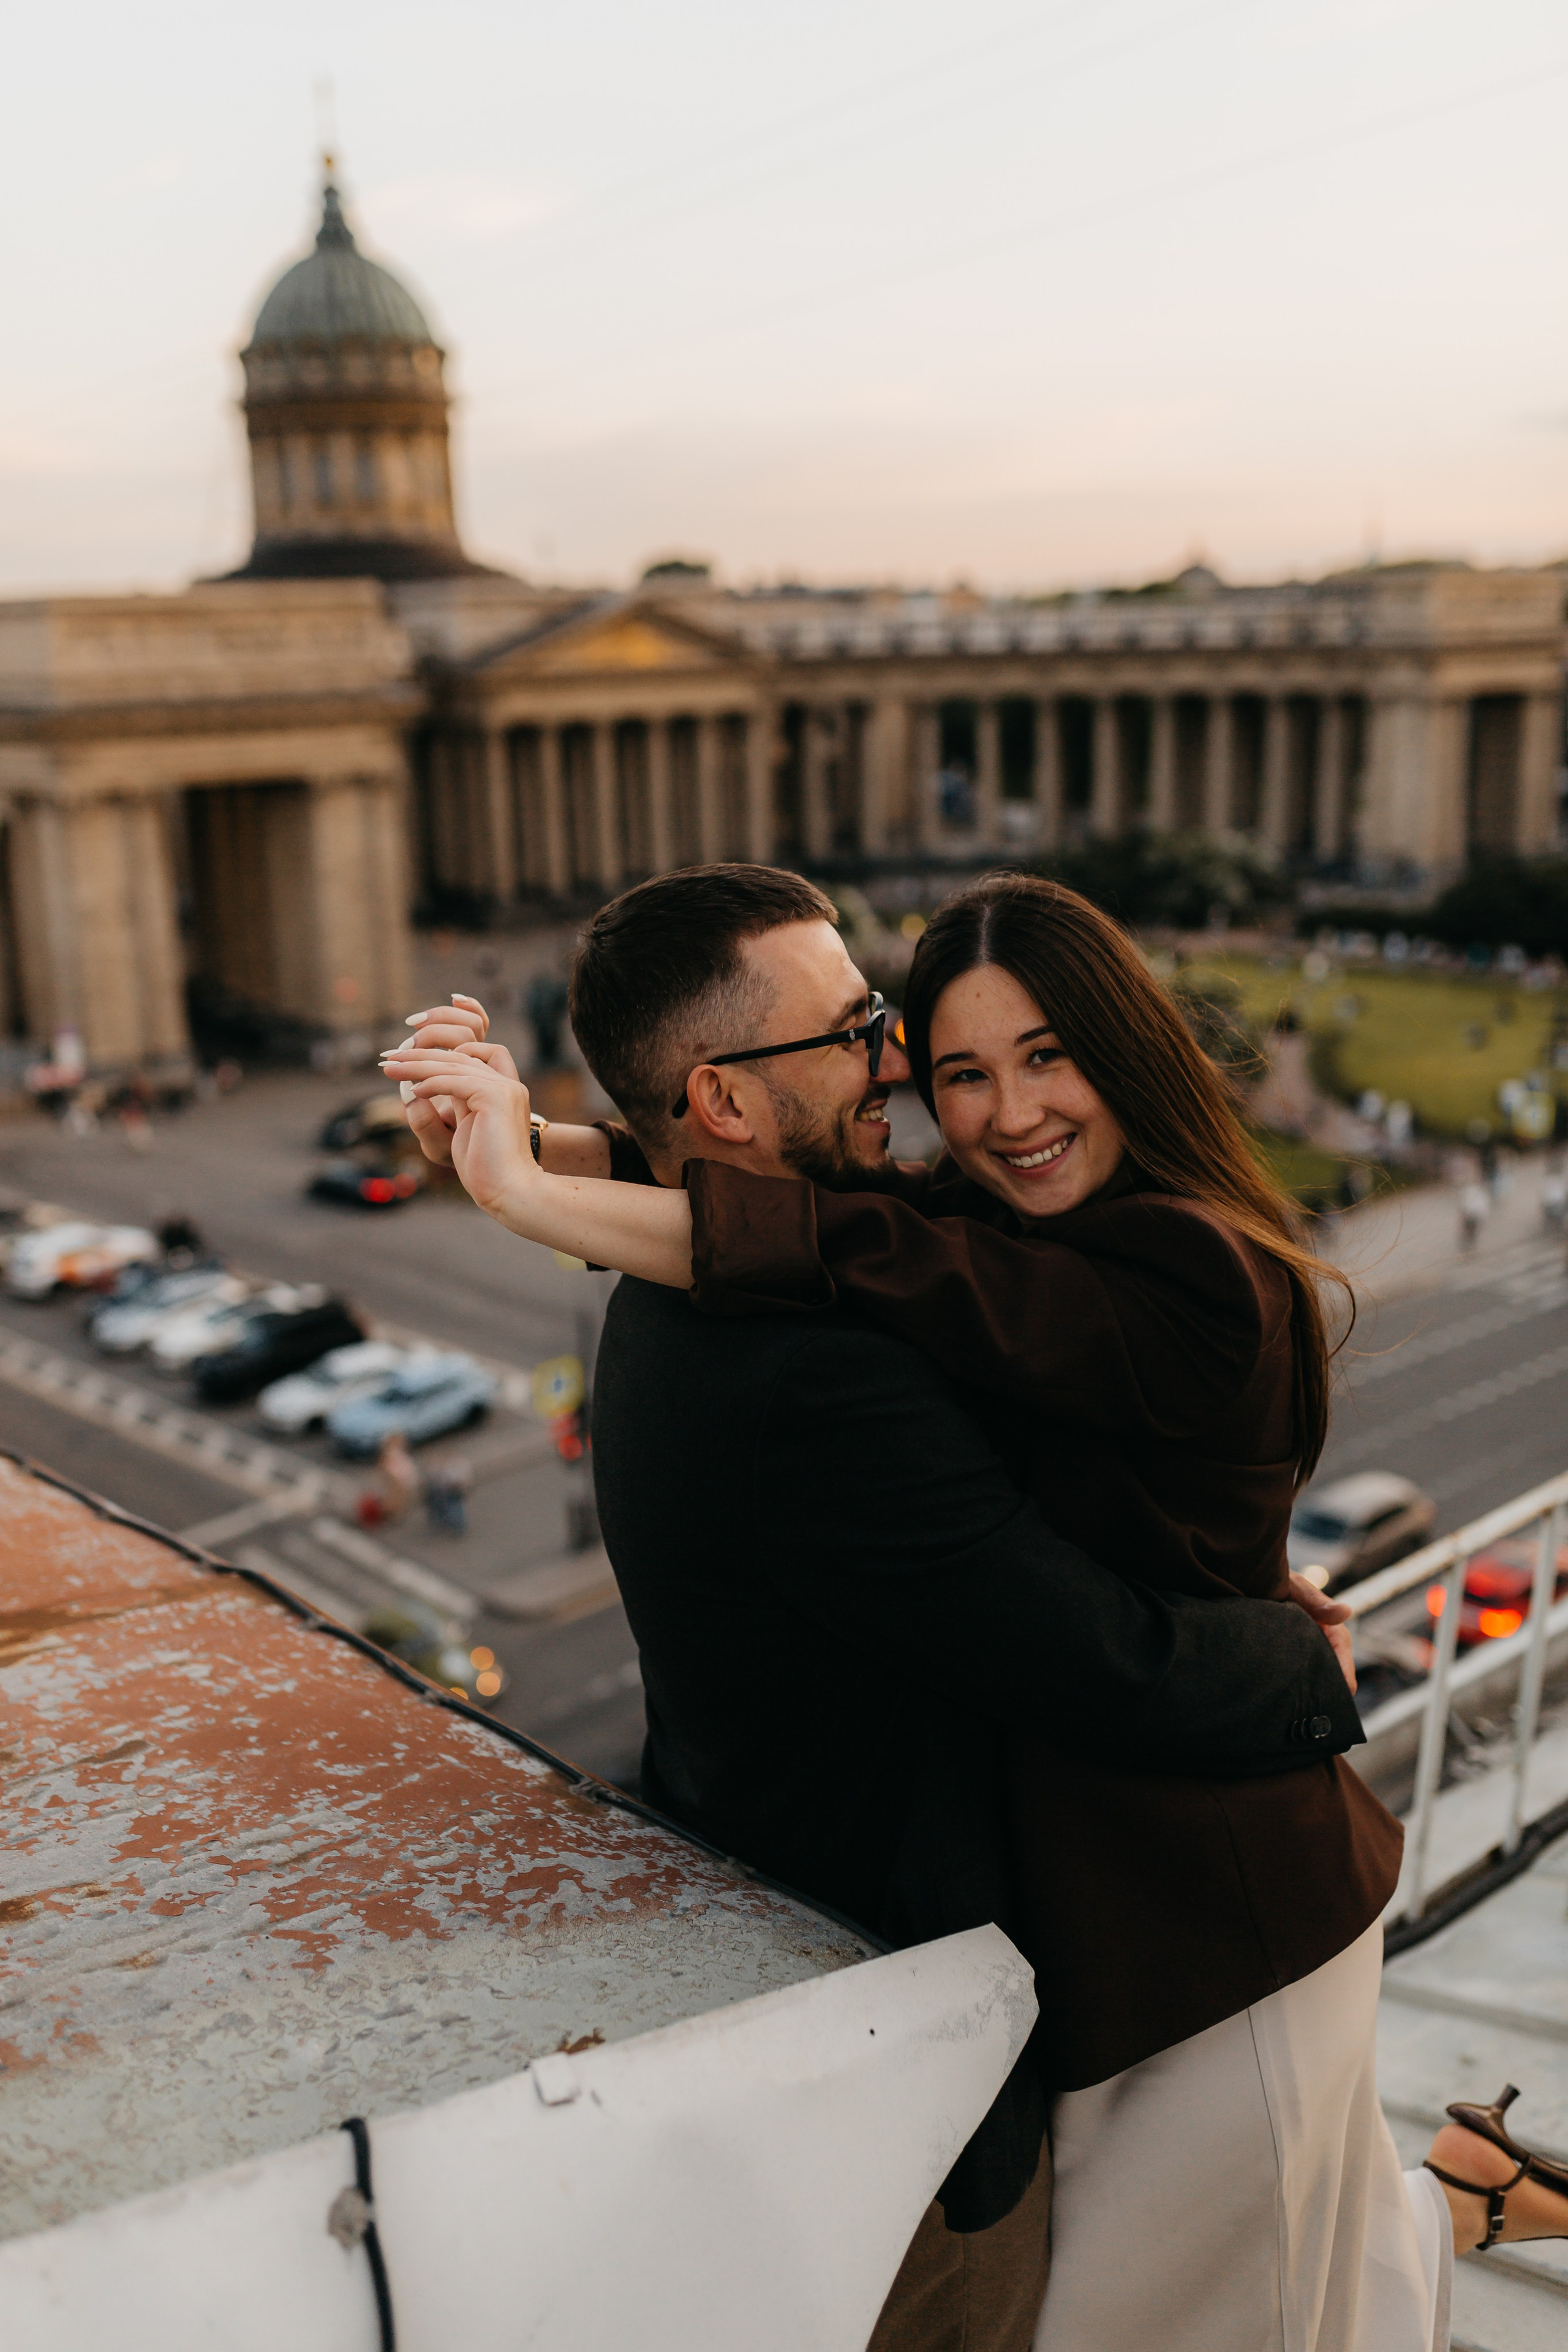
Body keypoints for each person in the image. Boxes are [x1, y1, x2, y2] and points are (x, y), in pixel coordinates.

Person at [386, 867, 1365, 2351]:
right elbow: (1098, 1658)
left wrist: (534, 1167)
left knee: (1269, 2293)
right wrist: (1299, 1660)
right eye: (879, 1038)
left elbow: (850, 1238)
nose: (898, 1070)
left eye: (1040, 1054)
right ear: (722, 1101)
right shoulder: (819, 1368)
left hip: (1198, 1915)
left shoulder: (1130, 1266)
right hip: (960, 2016)